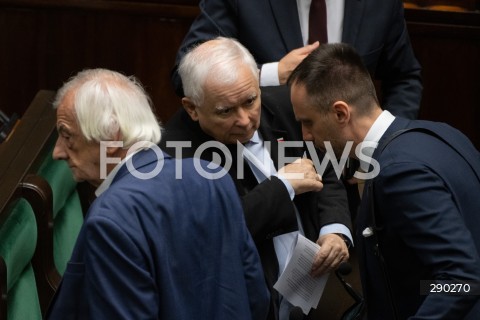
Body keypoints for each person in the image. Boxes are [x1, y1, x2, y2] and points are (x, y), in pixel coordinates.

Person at [46, 68, 270, 320]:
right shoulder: (213, 176)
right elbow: (256, 297)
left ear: (111, 139)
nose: (58, 152)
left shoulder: (109, 219)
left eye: (67, 136)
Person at [160, 37, 353, 320]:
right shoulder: (175, 154)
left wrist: (335, 230)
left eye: (250, 101)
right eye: (225, 111)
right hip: (248, 302)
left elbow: (326, 168)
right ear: (192, 108)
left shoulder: (286, 104)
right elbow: (214, 230)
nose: (245, 119)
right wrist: (282, 186)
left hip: (318, 291)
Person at [288, 42, 480, 319]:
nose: (305, 135)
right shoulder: (443, 133)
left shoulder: (398, 173)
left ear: (341, 113)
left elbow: (462, 278)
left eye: (309, 122)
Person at [171, 0, 422, 120]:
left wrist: (382, 142)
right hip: (270, 152)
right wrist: (272, 74)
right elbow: (184, 72)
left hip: (352, 159)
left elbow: (404, 78)